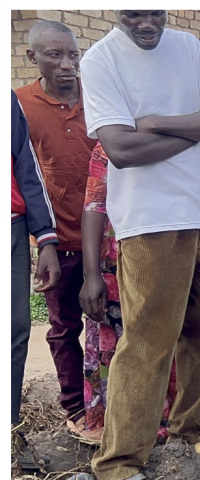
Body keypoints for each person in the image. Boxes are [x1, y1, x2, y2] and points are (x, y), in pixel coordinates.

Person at [80, 10, 200, 480]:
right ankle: (118, 462)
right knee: (150, 338)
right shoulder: (101, 60)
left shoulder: (189, 47)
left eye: (156, 11)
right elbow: (121, 149)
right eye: (135, 13)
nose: (147, 22)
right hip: (150, 220)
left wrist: (156, 124)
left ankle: (191, 427)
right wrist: (197, 129)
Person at [15, 20, 99, 441]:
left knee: (114, 321)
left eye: (73, 55)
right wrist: (42, 241)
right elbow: (22, 178)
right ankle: (74, 407)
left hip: (107, 237)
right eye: (55, 55)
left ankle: (112, 401)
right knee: (64, 326)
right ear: (33, 58)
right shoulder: (19, 105)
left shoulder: (98, 98)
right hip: (58, 239)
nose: (67, 65)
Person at [80, 143, 179, 442]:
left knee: (166, 336)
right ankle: (123, 427)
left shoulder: (177, 140)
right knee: (119, 340)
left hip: (169, 252)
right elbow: (95, 205)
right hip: (118, 259)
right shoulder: (108, 147)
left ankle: (167, 420)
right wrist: (91, 275)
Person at [12, 89, 61, 471]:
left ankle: (10, 432)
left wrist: (45, 238)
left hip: (10, 229)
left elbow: (28, 170)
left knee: (14, 330)